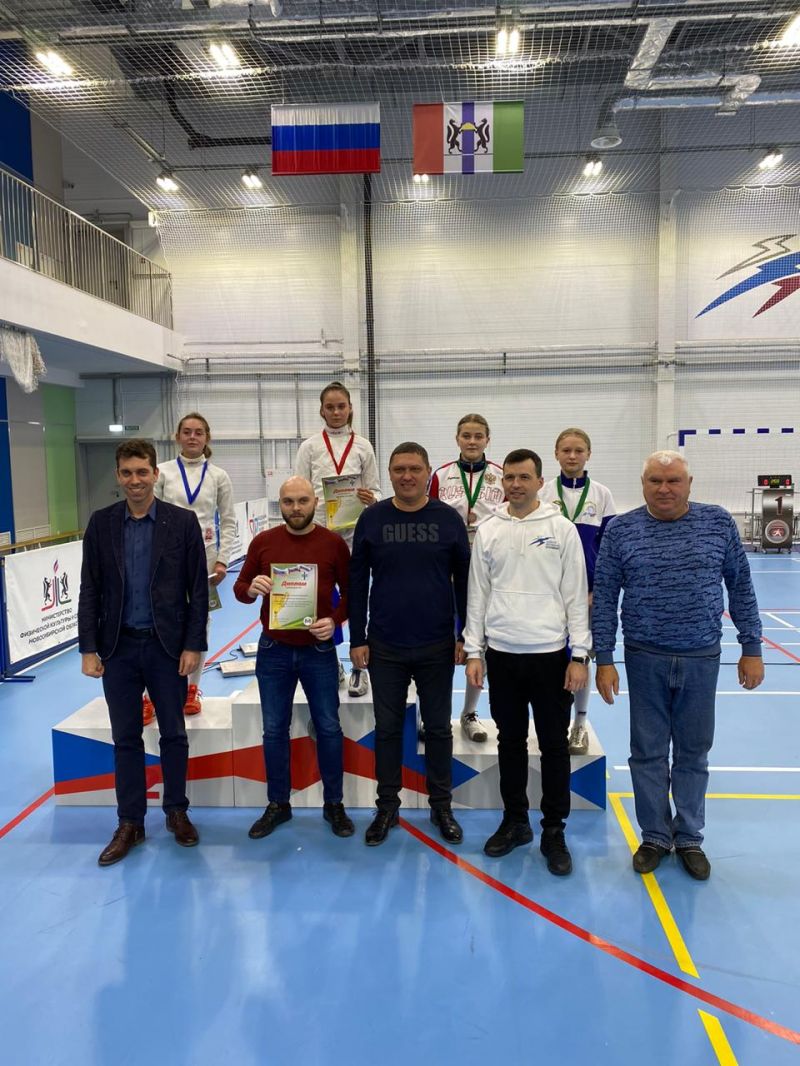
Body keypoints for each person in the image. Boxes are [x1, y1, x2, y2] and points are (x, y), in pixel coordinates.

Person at [592, 450, 764, 881]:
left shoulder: (718, 522)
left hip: (701, 657)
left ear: (689, 484)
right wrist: (605, 658)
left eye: (673, 481)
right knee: (647, 753)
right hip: (643, 657)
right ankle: (654, 835)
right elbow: (605, 595)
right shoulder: (622, 530)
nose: (664, 489)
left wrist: (751, 647)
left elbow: (741, 586)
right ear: (643, 484)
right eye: (655, 481)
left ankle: (689, 837)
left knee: (693, 752)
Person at [78, 439, 209, 866]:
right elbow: (90, 588)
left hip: (165, 647)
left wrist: (193, 644)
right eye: (127, 473)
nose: (135, 480)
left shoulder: (182, 523)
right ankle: (130, 822)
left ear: (155, 474)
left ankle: (176, 811)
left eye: (142, 472)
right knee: (126, 738)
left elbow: (197, 590)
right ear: (118, 476)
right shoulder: (101, 524)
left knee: (173, 733)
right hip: (117, 648)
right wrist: (88, 648)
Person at [463, 448, 591, 876]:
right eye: (510, 477)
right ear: (502, 483)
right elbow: (477, 594)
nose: (516, 484)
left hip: (550, 655)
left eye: (524, 477)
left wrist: (579, 654)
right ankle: (515, 821)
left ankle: (553, 830)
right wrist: (475, 650)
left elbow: (575, 596)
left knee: (554, 746)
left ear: (540, 482)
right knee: (510, 743)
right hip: (502, 655)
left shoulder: (561, 528)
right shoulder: (489, 529)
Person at [349, 442, 471, 846]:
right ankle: (387, 807)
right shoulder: (372, 519)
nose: (407, 476)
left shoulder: (448, 520)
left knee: (437, 729)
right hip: (385, 645)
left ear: (427, 472)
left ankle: (441, 805)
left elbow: (466, 583)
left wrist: (465, 635)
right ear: (389, 474)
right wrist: (357, 638)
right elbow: (356, 582)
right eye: (399, 469)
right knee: (387, 729)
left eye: (415, 469)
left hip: (437, 644)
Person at [233, 476, 355, 840]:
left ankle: (334, 803)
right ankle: (278, 804)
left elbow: (352, 593)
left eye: (302, 501)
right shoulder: (263, 542)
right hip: (274, 650)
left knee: (329, 727)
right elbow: (239, 588)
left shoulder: (333, 543)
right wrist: (251, 588)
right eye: (288, 502)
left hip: (318, 650)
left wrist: (335, 620)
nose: (296, 508)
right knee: (274, 729)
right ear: (280, 504)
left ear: (315, 502)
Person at [295, 381, 381, 696]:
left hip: (355, 536)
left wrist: (371, 497)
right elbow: (298, 489)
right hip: (318, 535)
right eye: (330, 407)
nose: (335, 412)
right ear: (321, 410)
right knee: (321, 600)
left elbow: (377, 489)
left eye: (341, 406)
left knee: (356, 599)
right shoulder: (309, 447)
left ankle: (360, 667)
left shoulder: (363, 446)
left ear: (350, 409)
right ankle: (332, 663)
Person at [152, 412, 236, 719]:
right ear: (177, 437)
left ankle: (192, 689)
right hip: (165, 559)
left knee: (200, 624)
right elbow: (150, 515)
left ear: (207, 438)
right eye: (186, 432)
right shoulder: (162, 472)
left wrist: (223, 560)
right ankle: (150, 695)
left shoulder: (218, 476)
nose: (192, 437)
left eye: (198, 432)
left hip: (205, 560)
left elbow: (229, 521)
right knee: (157, 623)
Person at [429, 413, 505, 742]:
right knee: (441, 642)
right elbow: (428, 518)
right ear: (457, 438)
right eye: (466, 436)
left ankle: (469, 712)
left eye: (478, 436)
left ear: (488, 439)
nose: (472, 441)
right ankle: (435, 713)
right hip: (446, 569)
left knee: (480, 641)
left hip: (488, 567)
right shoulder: (441, 475)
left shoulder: (501, 476)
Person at [539, 427, 616, 755]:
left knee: (581, 656)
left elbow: (609, 548)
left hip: (588, 594)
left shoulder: (601, 494)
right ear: (556, 454)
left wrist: (597, 591)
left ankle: (579, 724)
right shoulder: (543, 492)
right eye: (566, 450)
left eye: (579, 450)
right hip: (549, 593)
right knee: (551, 658)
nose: (572, 456)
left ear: (588, 454)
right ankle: (550, 723)